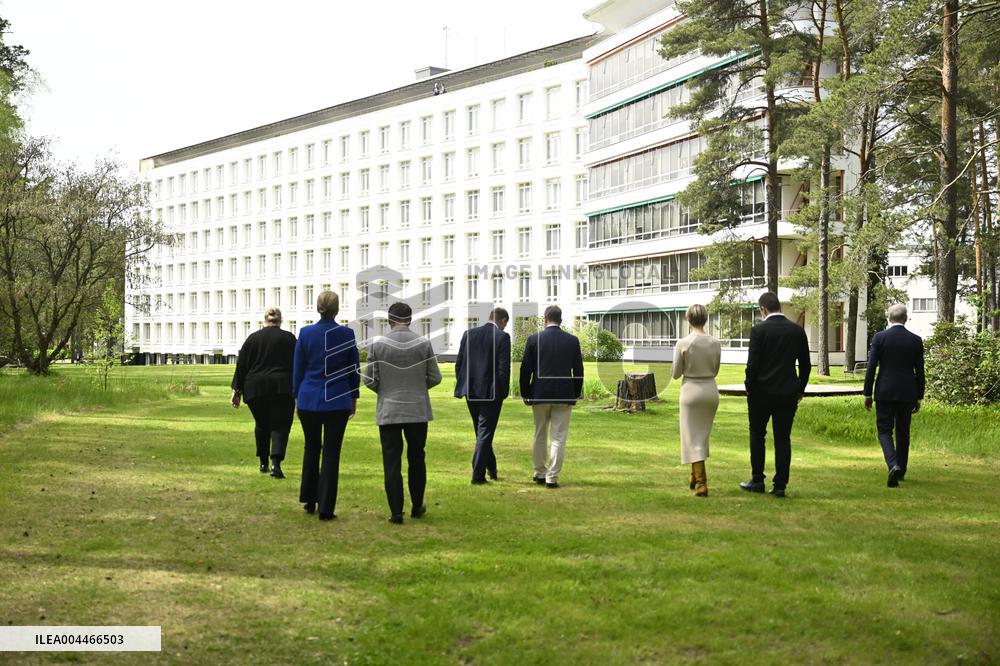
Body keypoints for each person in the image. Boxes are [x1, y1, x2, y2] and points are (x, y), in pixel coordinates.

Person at [363, 302, 442, 524]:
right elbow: (435, 377)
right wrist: (418, 387)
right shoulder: (423, 343)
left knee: (391, 461)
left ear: (389, 321)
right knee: (417, 457)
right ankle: (417, 505)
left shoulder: (378, 345)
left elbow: (369, 379)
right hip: (417, 409)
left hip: (389, 409)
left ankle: (396, 511)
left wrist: (385, 390)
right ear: (410, 319)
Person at [293, 291, 360, 521]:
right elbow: (353, 370)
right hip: (338, 399)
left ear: (317, 307)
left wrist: (296, 396)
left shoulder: (305, 333)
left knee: (311, 448)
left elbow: (298, 370)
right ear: (337, 309)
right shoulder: (347, 334)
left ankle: (310, 499)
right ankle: (326, 508)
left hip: (309, 398)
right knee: (332, 453)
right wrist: (354, 397)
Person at [741, 292, 811, 497]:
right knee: (782, 438)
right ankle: (780, 484)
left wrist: (749, 385)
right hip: (787, 392)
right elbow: (805, 365)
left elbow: (752, 364)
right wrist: (800, 389)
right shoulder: (797, 331)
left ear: (763, 309)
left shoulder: (758, 330)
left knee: (757, 435)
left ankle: (757, 480)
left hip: (761, 393)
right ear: (778, 307)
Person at [518, 305, 584, 489]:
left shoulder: (533, 339)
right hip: (564, 394)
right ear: (560, 320)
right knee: (558, 437)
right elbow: (578, 370)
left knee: (539, 434)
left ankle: (539, 472)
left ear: (545, 319)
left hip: (539, 393)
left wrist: (525, 392)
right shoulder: (572, 341)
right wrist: (576, 392)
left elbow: (525, 370)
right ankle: (552, 477)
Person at [863, 303, 925, 487]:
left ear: (889, 318)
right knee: (903, 432)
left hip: (884, 391)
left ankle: (893, 464)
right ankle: (901, 470)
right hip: (907, 392)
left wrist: (867, 393)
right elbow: (920, 372)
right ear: (905, 318)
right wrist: (919, 395)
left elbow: (871, 367)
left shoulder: (880, 338)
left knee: (884, 430)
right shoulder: (915, 340)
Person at [230, 307, 297, 478]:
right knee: (280, 425)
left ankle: (262, 462)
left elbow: (242, 366)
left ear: (264, 321)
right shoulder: (289, 339)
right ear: (280, 320)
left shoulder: (252, 339)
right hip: (282, 388)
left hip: (256, 388)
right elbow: (298, 365)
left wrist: (236, 391)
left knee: (262, 424)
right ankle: (276, 463)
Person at [454, 307, 511, 484]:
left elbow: (459, 363)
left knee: (481, 432)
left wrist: (464, 384)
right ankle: (478, 475)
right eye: (505, 324)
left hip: (470, 390)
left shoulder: (469, 334)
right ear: (502, 321)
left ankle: (491, 469)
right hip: (491, 392)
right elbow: (503, 369)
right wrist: (502, 392)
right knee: (485, 432)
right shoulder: (502, 337)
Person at [671, 304, 722, 497]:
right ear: (706, 319)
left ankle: (702, 482)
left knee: (692, 437)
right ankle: (694, 474)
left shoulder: (683, 343)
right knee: (701, 436)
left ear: (688, 319)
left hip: (691, 390)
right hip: (710, 389)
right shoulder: (715, 343)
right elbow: (716, 369)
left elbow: (676, 373)